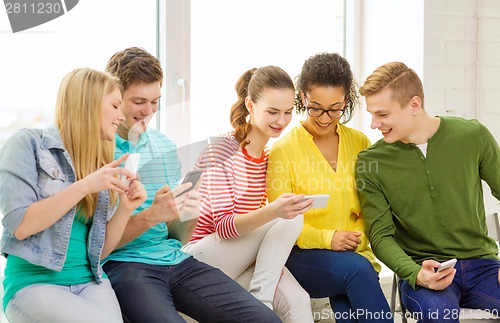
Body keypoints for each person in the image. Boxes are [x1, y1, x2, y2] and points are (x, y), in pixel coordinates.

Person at [101, 47, 281, 323]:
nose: (148, 112)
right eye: (139, 101)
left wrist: (189, 211)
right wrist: (151, 216)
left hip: (175, 260)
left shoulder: (163, 145)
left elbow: (178, 238)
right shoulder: (97, 151)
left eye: (155, 101)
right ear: (113, 96)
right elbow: (97, 246)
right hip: (125, 265)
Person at [356, 61, 500, 322]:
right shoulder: (371, 162)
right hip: (424, 270)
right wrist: (415, 273)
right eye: (372, 114)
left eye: (383, 114)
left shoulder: (473, 136)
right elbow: (380, 236)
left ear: (414, 105)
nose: (374, 124)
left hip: (484, 266)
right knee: (438, 315)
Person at [0, 68, 147, 323]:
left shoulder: (99, 163)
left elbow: (99, 252)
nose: (121, 116)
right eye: (114, 106)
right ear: (88, 105)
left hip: (89, 281)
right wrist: (84, 186)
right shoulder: (27, 143)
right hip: (33, 284)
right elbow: (21, 226)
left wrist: (126, 207)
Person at [266, 52, 393, 323]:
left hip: (353, 253)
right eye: (316, 107)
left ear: (346, 101)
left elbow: (371, 206)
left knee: (349, 307)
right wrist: (329, 239)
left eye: (335, 108)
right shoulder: (284, 150)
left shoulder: (360, 143)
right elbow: (281, 221)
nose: (325, 117)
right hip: (302, 255)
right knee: (359, 271)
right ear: (302, 97)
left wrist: (354, 238)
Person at [182, 66, 315, 322]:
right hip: (200, 256)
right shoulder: (222, 149)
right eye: (272, 112)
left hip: (238, 253)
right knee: (289, 216)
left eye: (288, 112)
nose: (281, 121)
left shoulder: (268, 157)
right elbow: (223, 228)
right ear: (250, 106)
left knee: (299, 301)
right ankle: (261, 302)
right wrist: (274, 210)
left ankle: (260, 299)